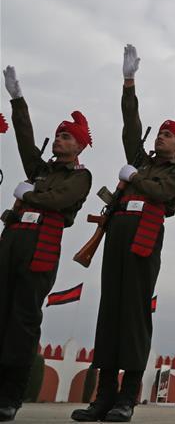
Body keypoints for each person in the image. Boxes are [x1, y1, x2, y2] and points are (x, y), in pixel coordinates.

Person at [72, 45, 175, 423]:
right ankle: (103, 396)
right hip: (118, 235)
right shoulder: (142, 159)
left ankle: (128, 395)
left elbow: (163, 194)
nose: (160, 138)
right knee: (109, 311)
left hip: (145, 239)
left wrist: (136, 177)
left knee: (135, 314)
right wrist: (129, 85)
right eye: (158, 134)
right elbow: (130, 126)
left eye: (167, 135)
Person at [0, 66, 92, 422]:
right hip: (12, 241)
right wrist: (18, 101)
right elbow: (25, 139)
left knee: (23, 318)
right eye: (57, 136)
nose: (59, 141)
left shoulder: (80, 177)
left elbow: (57, 199)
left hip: (41, 247)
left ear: (80, 145)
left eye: (67, 137)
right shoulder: (42, 168)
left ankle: (11, 395)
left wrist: (32, 192)